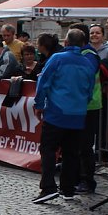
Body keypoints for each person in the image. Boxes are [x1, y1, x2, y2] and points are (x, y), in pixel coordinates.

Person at [32, 29, 98, 203]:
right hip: (78, 114)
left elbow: (43, 82)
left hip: (57, 112)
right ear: (83, 44)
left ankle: (48, 187)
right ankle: (68, 189)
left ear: (66, 42)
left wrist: (39, 105)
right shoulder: (87, 63)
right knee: (71, 153)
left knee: (48, 149)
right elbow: (90, 89)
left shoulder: (57, 58)